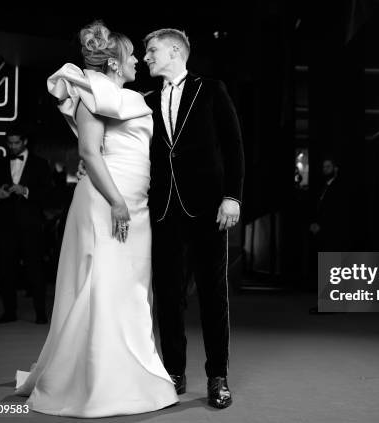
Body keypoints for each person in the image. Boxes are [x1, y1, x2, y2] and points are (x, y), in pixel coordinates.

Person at [14, 22, 178, 417]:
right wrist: (117, 201)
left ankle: (130, 374)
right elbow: (89, 152)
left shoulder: (130, 97)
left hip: (134, 205)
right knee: (103, 285)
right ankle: (97, 382)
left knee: (132, 288)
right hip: (108, 201)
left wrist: (129, 203)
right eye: (133, 55)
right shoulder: (92, 94)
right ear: (116, 64)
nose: (139, 59)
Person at [143, 28, 244, 409]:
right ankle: (174, 374)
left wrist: (232, 196)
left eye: (151, 50)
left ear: (174, 50)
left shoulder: (211, 89)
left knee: (212, 294)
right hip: (163, 210)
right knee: (168, 296)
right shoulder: (146, 99)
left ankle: (217, 375)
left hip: (208, 209)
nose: (147, 57)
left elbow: (234, 146)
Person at [0, 128, 51, 324]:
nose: (12, 146)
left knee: (35, 269)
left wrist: (26, 190)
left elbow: (48, 194)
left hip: (31, 224)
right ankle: (9, 312)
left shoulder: (40, 164)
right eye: (10, 143)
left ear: (25, 141)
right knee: (6, 269)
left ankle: (40, 313)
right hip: (6, 225)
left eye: (16, 143)